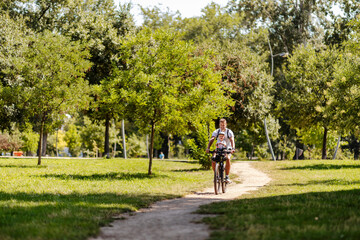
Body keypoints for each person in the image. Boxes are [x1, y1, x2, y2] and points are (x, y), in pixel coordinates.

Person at [206, 118, 235, 183]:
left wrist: (233, 148)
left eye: (223, 125)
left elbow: (232, 139)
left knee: (227, 158)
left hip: (227, 148)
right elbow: (212, 139)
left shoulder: (229, 132)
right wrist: (208, 147)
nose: (222, 126)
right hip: (219, 147)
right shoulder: (216, 131)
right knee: (213, 159)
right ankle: (216, 175)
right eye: (221, 125)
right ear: (219, 125)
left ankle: (227, 176)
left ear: (226, 125)